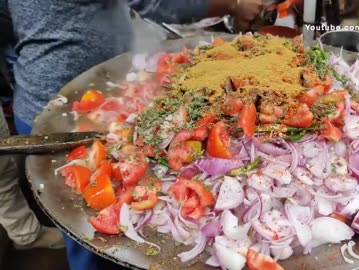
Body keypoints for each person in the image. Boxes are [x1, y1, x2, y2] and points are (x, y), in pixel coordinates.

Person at [1, 0, 263, 269]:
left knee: (85, 228)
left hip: (40, 90)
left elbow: (6, 23)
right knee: (89, 232)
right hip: (66, 106)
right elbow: (153, 3)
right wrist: (234, 4)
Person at [0, 1, 65, 251]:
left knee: (5, 169)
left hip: (29, 91)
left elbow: (6, 24)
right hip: (42, 98)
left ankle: (25, 233)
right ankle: (25, 235)